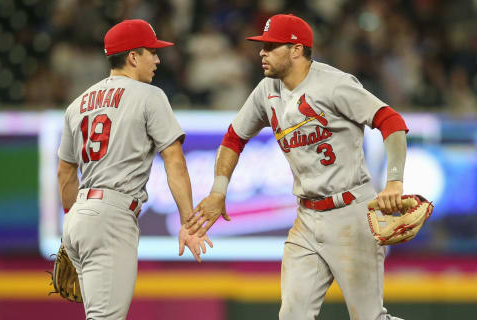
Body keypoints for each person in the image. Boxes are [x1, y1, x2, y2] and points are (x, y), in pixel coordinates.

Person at [187, 14, 408, 320]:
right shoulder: (267, 90)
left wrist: (394, 181)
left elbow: (390, 120)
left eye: (270, 46)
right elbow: (233, 138)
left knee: (370, 317)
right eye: (262, 46)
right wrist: (218, 191)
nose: (261, 52)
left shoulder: (334, 84)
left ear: (295, 49)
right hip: (306, 217)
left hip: (350, 213)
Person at [57, 19, 212, 320]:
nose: (157, 59)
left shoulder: (77, 105)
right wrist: (188, 222)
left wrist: (72, 223)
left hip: (78, 218)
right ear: (132, 57)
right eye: (151, 52)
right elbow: (175, 161)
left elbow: (65, 172)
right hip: (112, 216)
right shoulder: (149, 95)